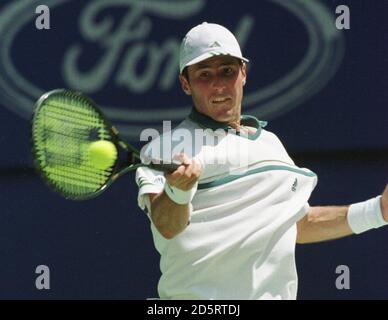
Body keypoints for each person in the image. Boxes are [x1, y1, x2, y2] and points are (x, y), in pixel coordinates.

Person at [135, 22, 388, 300]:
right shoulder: (163, 150)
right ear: (186, 84)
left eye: (227, 71)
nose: (218, 84)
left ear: (243, 73)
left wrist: (378, 211)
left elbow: (296, 225)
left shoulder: (271, 144)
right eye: (204, 75)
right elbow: (167, 226)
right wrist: (178, 191)